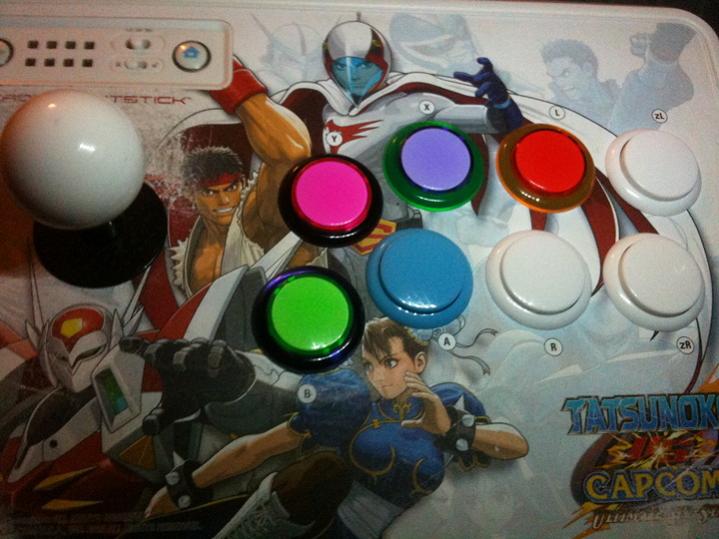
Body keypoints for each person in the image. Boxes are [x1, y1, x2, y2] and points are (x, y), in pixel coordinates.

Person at [142, 318, 528, 538]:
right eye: (371, 365)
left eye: (390, 362)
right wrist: (186, 487)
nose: (379, 376)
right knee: (325, 469)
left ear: (419, 361)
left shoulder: (448, 400)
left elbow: (515, 446)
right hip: (313, 518)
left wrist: (452, 429)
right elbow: (260, 447)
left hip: (380, 532)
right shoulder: (352, 404)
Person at [275, 20, 524, 313]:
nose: (353, 76)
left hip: (398, 228)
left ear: (382, 63)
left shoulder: (414, 105)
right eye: (342, 67)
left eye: (363, 66)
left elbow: (498, 123)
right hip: (341, 233)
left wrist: (503, 103)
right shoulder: (327, 111)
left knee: (416, 311)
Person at [171, 59, 316, 298]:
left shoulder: (257, 218)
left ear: (241, 183)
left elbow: (292, 153)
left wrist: (227, 75)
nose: (224, 200)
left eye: (230, 188)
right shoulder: (188, 249)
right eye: (210, 192)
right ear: (190, 193)